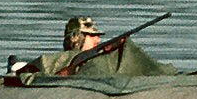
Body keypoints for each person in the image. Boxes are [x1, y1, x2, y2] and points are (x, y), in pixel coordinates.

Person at [26, 16, 177, 78]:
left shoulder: (97, 56)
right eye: (92, 35)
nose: (98, 38)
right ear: (76, 37)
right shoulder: (63, 59)